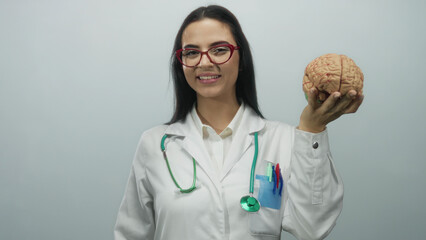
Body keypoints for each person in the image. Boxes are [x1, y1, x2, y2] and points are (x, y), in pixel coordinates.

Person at [114, 5, 363, 240]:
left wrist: (312, 131)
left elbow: (313, 227)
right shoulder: (156, 145)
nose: (204, 62)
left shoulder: (284, 140)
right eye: (191, 52)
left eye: (219, 49)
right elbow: (130, 235)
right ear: (181, 65)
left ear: (241, 58)